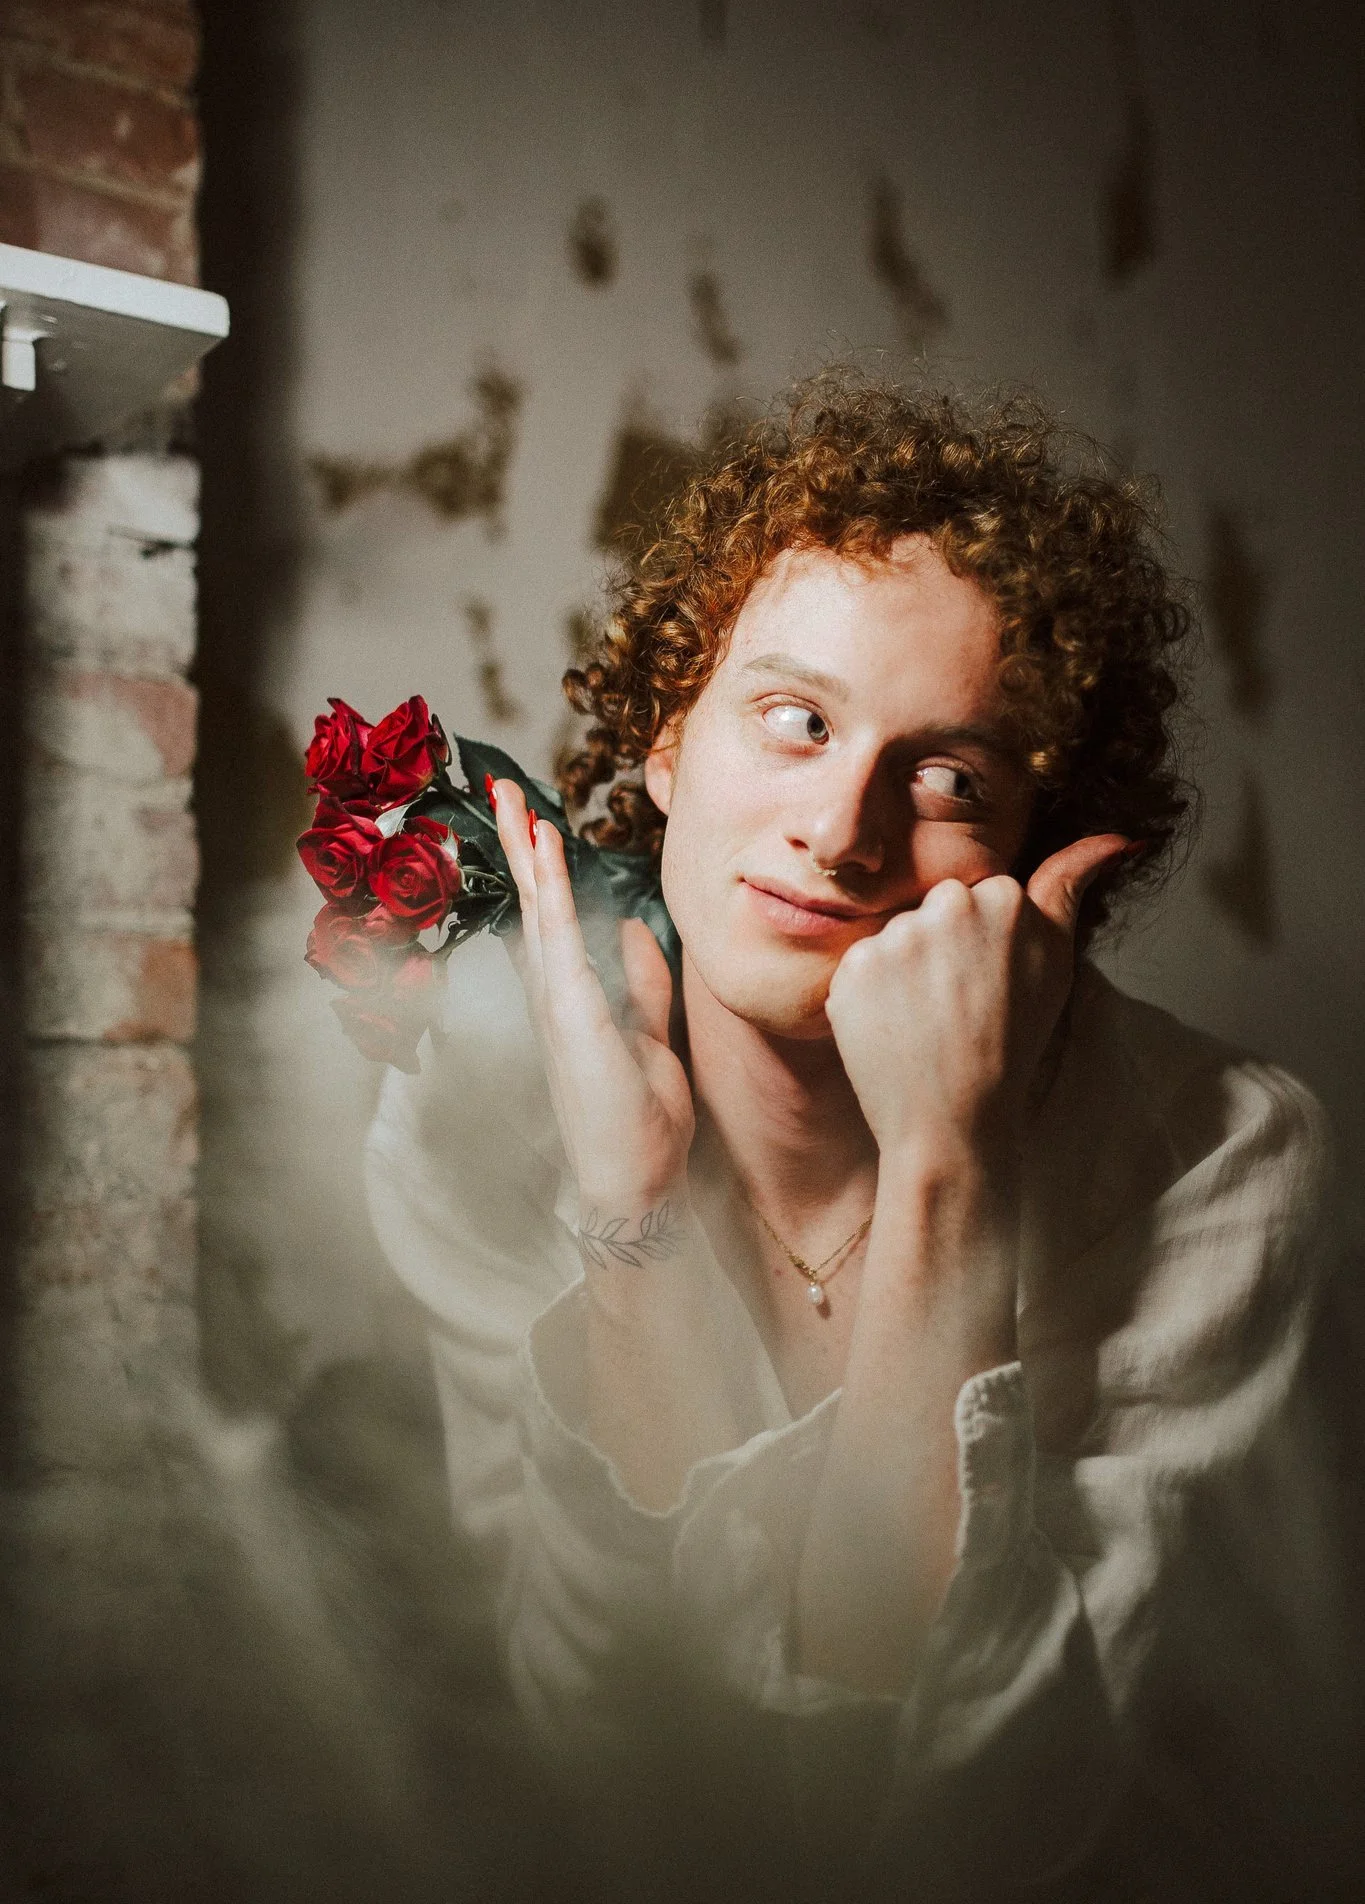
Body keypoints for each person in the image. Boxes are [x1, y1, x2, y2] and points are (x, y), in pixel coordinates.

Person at [363, 381, 1331, 1900]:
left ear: (1036, 850)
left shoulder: (1220, 1162)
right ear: (669, 740)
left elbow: (981, 1832)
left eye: (950, 776)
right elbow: (622, 1777)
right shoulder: (471, 1140)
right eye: (795, 721)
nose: (843, 826)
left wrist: (954, 1163)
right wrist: (631, 1220)